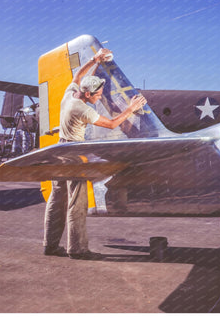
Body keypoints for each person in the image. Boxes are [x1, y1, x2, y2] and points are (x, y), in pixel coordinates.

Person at [43, 48, 147, 260]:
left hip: (59, 151)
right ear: (87, 94)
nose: (99, 98)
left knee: (56, 200)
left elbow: (78, 76)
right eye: (97, 95)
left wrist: (95, 60)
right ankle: (77, 249)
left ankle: (50, 245)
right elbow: (110, 124)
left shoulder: (69, 95)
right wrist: (131, 109)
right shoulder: (83, 109)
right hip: (74, 153)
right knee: (77, 204)